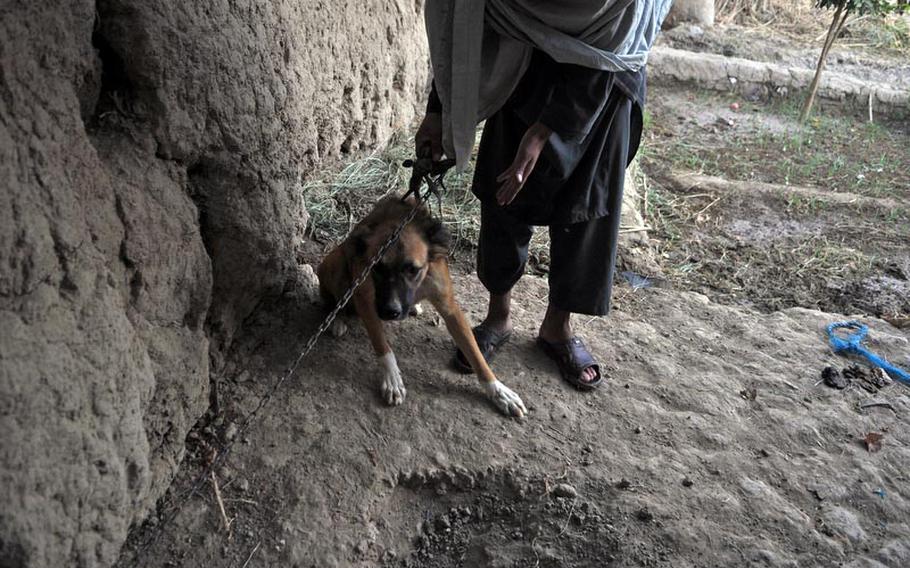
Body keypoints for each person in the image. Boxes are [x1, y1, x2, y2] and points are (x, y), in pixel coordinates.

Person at [416, 0, 672, 390]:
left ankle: (558, 326)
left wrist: (545, 130)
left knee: (585, 207)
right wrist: (439, 108)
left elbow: (618, 34)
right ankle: (498, 314)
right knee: (503, 193)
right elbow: (465, 19)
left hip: (606, 82)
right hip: (522, 63)